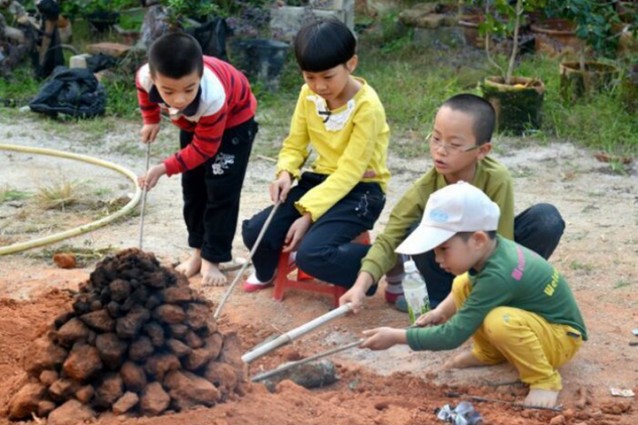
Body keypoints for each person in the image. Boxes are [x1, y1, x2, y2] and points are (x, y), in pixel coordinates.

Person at [360, 182, 587, 409]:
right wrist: (440, 312)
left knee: (501, 321)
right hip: (540, 326)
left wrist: (397, 337)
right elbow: (467, 285)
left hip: (563, 337)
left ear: (478, 240)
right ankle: (489, 353)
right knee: (462, 283)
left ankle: (544, 380)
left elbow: (452, 336)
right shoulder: (493, 250)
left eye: (444, 249)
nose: (437, 259)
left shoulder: (499, 275)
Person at [340, 93, 565, 312]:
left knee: (546, 219)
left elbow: (501, 239)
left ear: (482, 150)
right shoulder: (425, 189)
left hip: (488, 261)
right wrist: (361, 286)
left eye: (454, 144)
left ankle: (501, 293)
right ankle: (441, 298)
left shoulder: (496, 179)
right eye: (436, 138)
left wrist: (490, 285)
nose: (440, 150)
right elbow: (389, 239)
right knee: (417, 230)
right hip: (448, 270)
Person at [241, 18, 390, 292]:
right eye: (310, 77)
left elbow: (349, 172)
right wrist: (285, 172)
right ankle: (270, 270)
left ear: (351, 64)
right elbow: (295, 144)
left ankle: (389, 260)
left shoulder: (367, 108)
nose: (319, 86)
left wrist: (308, 215)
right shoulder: (307, 96)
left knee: (313, 255)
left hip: (361, 189)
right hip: (320, 182)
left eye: (327, 77)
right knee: (255, 231)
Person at [136, 32, 258, 286]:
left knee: (220, 192)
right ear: (154, 78)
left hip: (233, 124)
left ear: (200, 77)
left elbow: (204, 149)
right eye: (168, 91)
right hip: (194, 125)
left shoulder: (213, 96)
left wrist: (163, 168)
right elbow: (143, 93)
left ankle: (213, 260)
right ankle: (197, 254)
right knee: (192, 188)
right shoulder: (145, 76)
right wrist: (151, 119)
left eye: (189, 89)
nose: (179, 99)